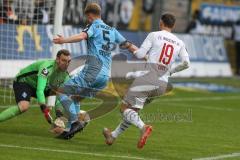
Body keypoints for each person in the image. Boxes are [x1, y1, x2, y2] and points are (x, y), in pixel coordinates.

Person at [103, 13, 190, 149]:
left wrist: (130, 46)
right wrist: (171, 71)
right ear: (173, 26)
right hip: (162, 85)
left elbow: (140, 54)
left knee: (124, 108)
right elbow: (186, 63)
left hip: (148, 78)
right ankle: (112, 136)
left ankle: (144, 128)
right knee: (133, 111)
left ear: (161, 23)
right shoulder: (180, 42)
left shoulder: (154, 35)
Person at [53, 2, 137, 139]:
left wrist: (64, 40)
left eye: (87, 17)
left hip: (92, 72)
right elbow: (129, 46)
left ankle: (75, 122)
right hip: (104, 77)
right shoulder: (112, 30)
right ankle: (69, 130)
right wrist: (145, 55)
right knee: (75, 98)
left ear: (90, 15)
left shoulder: (93, 26)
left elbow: (82, 36)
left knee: (61, 92)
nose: (87, 19)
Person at [0, 49, 71, 124]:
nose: (66, 64)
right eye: (63, 60)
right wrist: (44, 109)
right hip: (24, 82)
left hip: (41, 87)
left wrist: (59, 115)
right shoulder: (46, 68)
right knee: (24, 106)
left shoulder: (66, 75)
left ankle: (59, 118)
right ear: (57, 60)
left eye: (68, 61)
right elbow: (40, 90)